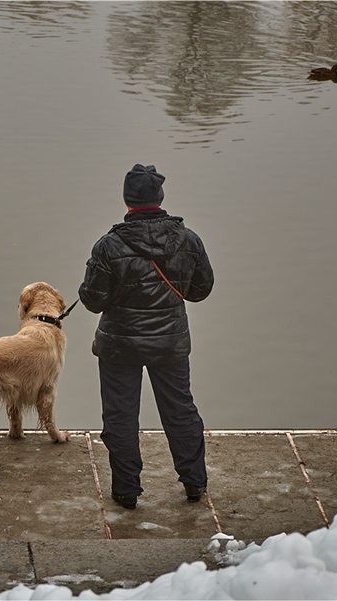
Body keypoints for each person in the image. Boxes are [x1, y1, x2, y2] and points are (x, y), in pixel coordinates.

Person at [78, 164, 214, 510]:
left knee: (121, 416)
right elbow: (200, 290)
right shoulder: (188, 239)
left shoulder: (108, 246)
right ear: (159, 198)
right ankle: (194, 482)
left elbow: (93, 301)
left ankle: (126, 490)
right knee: (180, 410)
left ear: (128, 201)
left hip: (119, 345)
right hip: (170, 342)